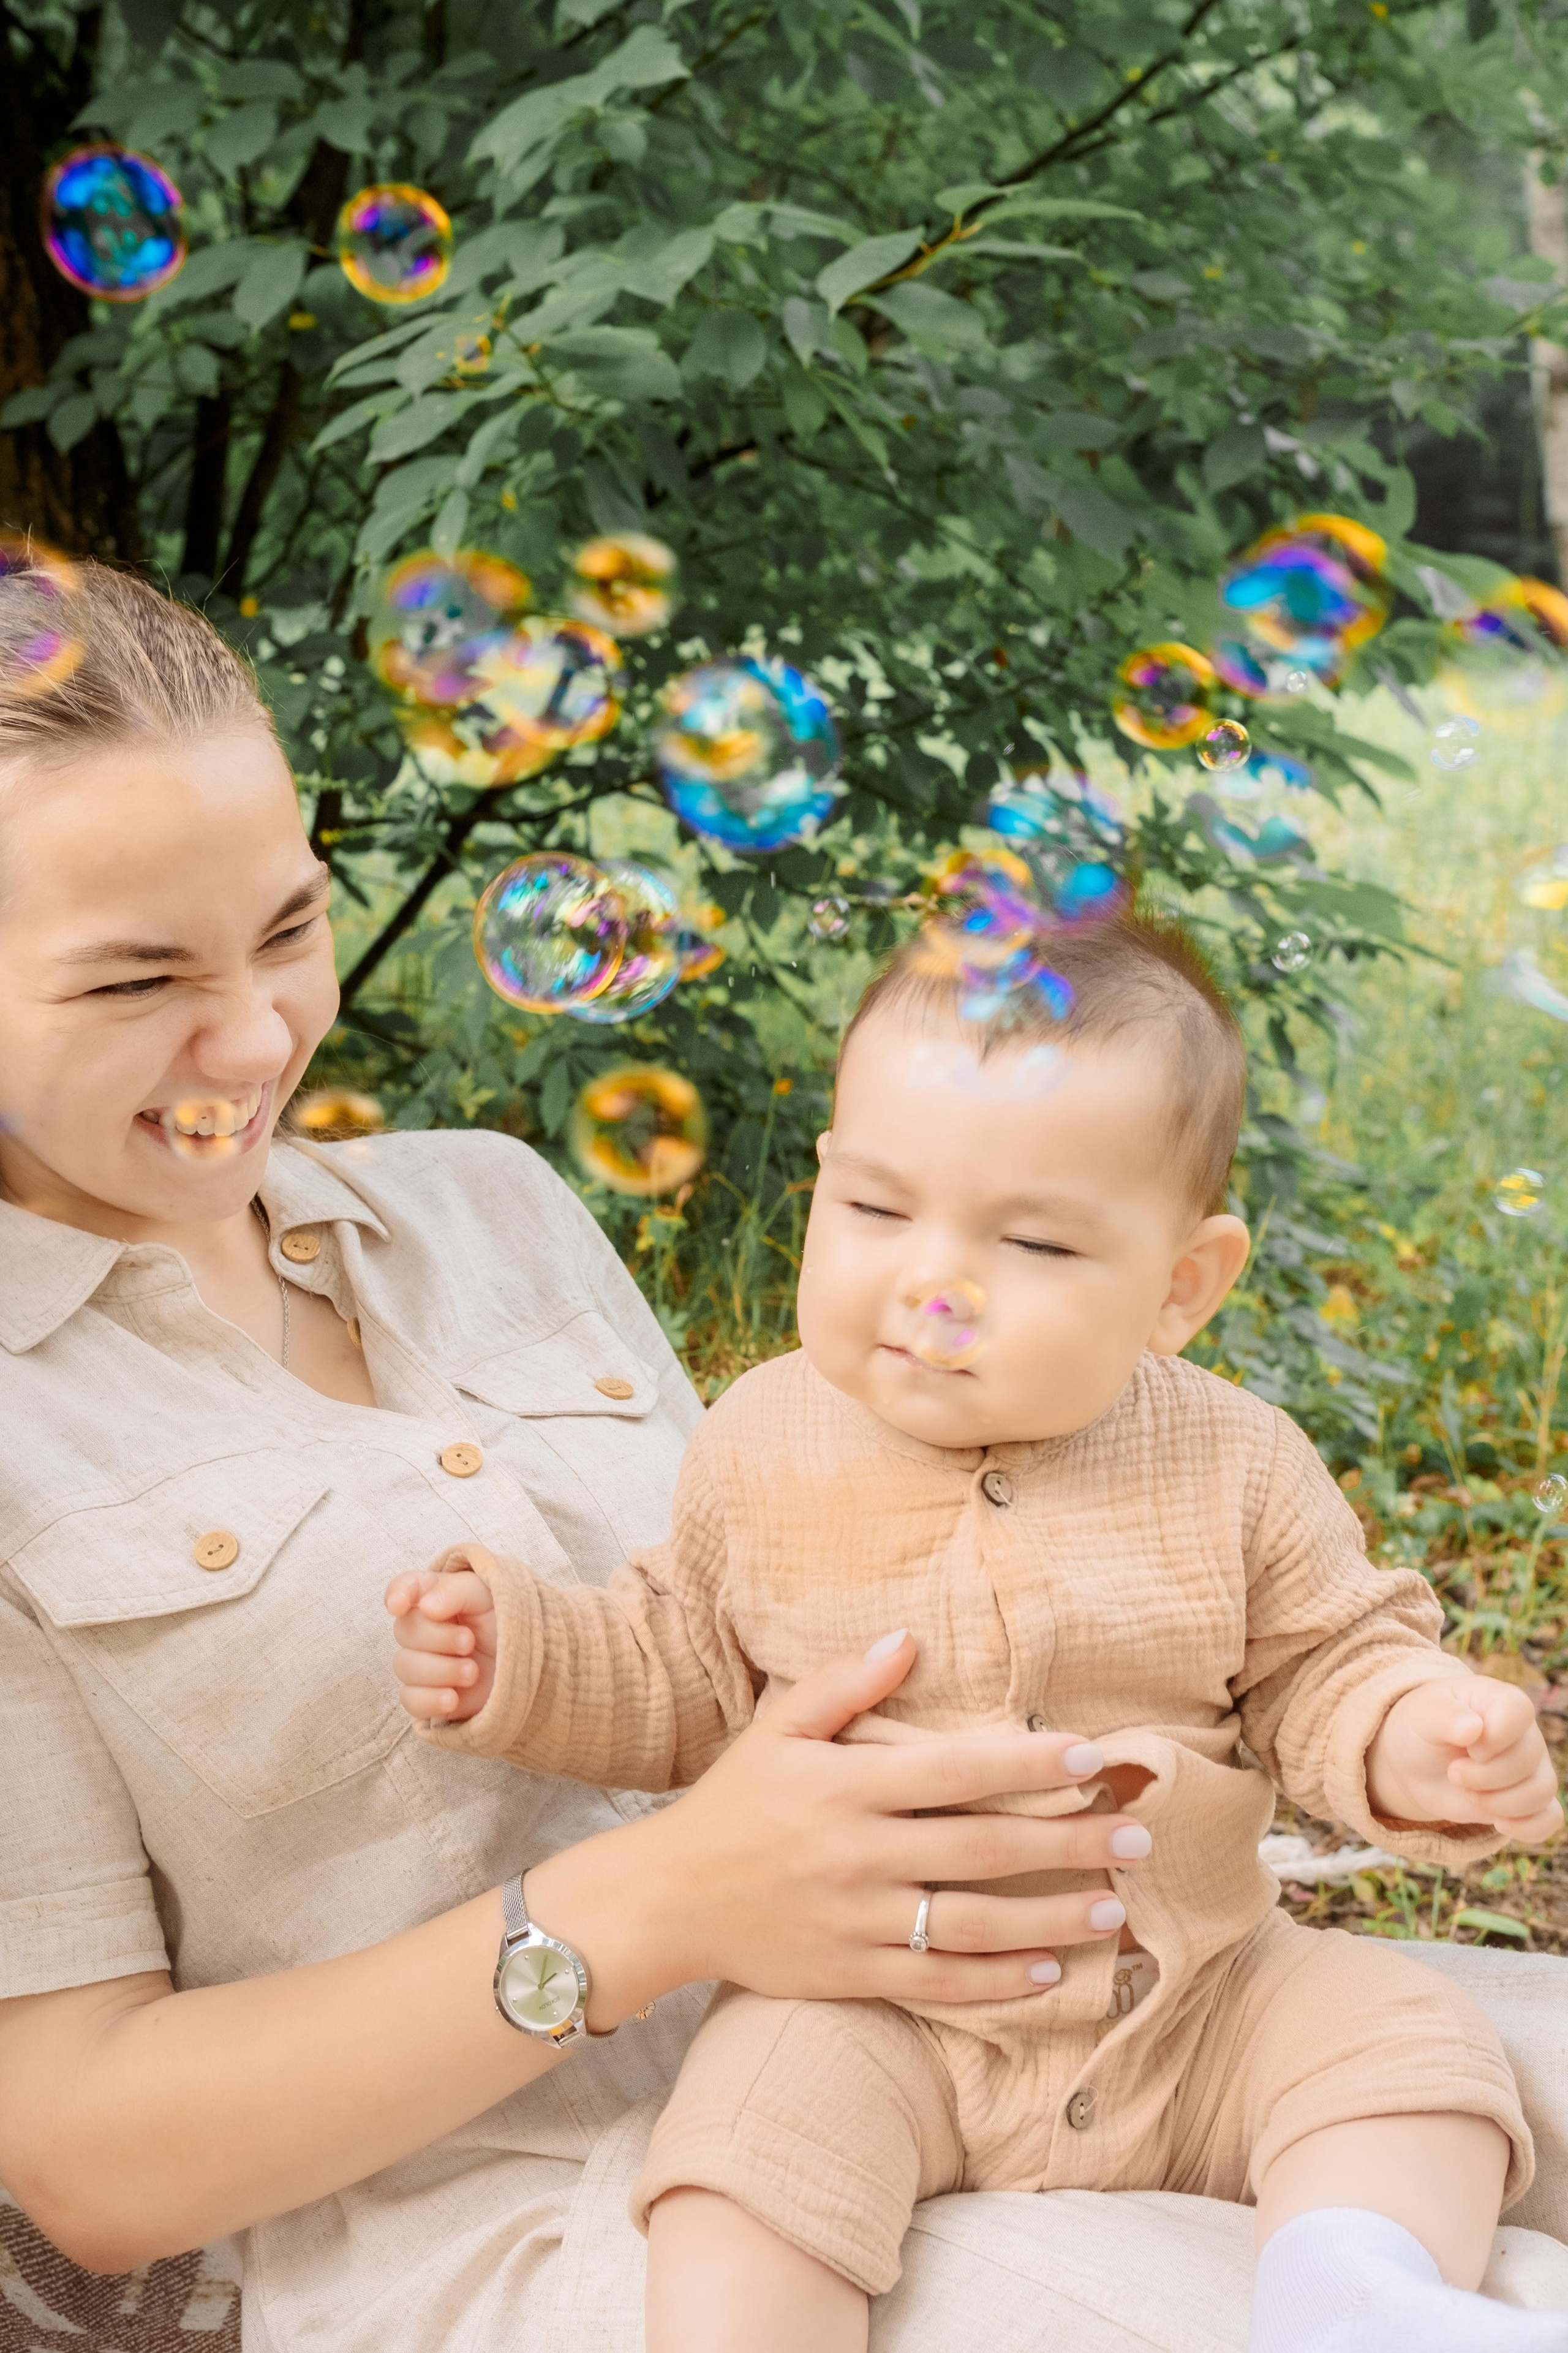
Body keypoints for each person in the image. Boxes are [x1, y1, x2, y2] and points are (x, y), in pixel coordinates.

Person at [0, 555, 1170, 2353]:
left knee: (1472, 2110)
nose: (253, 1036)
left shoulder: (495, 1206)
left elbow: (757, 1630)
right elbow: (88, 2159)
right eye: (136, 978)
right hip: (551, 2224)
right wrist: (683, 1894)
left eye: (291, 928)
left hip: (992, 2031)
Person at [388, 914, 1565, 2353]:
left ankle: (1353, 2296)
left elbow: (1322, 1658)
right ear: (821, 1189)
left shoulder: (1236, 1461)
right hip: (868, 2002)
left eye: (1031, 1239)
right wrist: (519, 1657)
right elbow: (680, 1664)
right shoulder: (760, 1444)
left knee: (1407, 2047)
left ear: (1180, 1286)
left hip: (1194, 1990)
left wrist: (1406, 1734)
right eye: (876, 1212)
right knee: (731, 2166)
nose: (926, 1285)